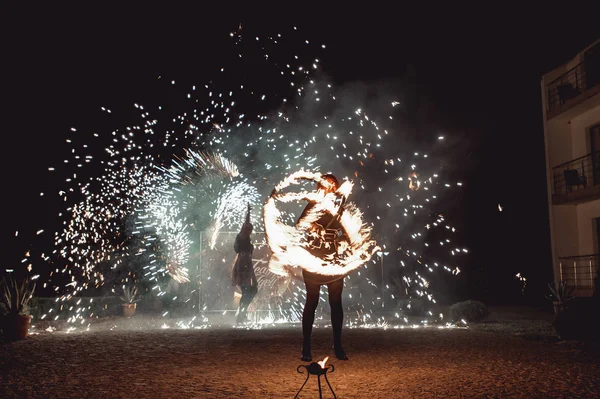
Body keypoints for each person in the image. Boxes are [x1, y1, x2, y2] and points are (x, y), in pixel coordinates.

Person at [297, 173, 349, 361]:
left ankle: (338, 344)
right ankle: (306, 346)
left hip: (333, 261)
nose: (329, 188)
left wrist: (343, 240)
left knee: (336, 303)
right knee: (312, 301)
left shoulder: (341, 208)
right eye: (326, 185)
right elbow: (300, 224)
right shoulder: (314, 204)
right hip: (313, 260)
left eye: (333, 185)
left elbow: (350, 231)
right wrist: (315, 229)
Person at [231, 204, 258, 324]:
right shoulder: (242, 237)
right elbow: (246, 223)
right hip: (242, 266)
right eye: (248, 229)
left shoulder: (245, 239)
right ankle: (241, 316)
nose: (250, 231)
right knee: (248, 291)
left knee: (250, 291)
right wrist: (248, 213)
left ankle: (241, 315)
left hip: (246, 265)